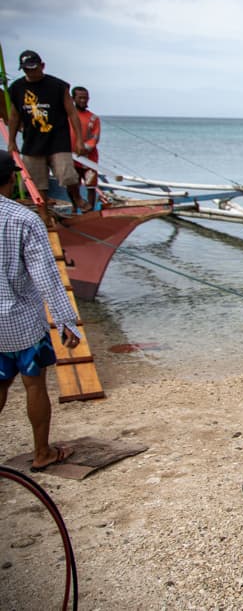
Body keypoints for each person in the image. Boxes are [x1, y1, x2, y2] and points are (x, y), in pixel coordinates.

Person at [0, 151, 81, 472]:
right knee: (34, 383)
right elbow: (46, 276)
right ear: (12, 178)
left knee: (1, 385)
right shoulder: (24, 219)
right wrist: (66, 322)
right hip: (22, 322)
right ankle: (42, 452)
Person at [5, 50, 88, 224]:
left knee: (67, 174)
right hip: (32, 142)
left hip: (57, 140)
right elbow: (14, 116)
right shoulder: (17, 88)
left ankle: (77, 198)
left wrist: (79, 140)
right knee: (37, 182)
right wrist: (12, 141)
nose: (30, 73)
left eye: (33, 69)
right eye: (26, 70)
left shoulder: (58, 86)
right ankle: (44, 215)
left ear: (42, 66)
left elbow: (72, 113)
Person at [69, 86, 100, 210]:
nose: (83, 100)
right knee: (72, 185)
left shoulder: (93, 118)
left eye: (85, 98)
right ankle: (74, 208)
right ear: (73, 98)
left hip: (89, 159)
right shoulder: (67, 116)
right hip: (71, 158)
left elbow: (95, 137)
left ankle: (91, 211)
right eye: (80, 98)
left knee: (91, 185)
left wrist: (84, 148)